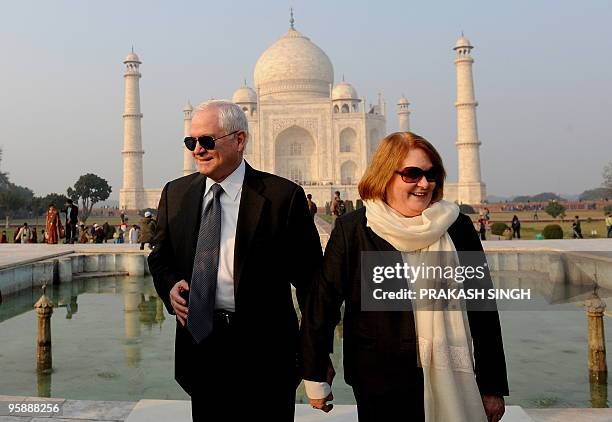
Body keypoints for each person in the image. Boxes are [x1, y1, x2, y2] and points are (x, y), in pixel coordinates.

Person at [301, 132, 508, 422]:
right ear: (386, 175)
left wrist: (491, 386)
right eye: (412, 174)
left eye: (431, 174)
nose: (424, 184)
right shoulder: (356, 230)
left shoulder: (456, 227)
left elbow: (482, 310)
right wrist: (314, 372)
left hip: (454, 371)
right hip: (379, 376)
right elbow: (323, 305)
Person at [148, 100, 322, 422]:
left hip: (265, 353)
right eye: (191, 142)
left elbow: (312, 285)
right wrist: (170, 286)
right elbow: (160, 256)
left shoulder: (281, 197)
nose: (197, 150)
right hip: (201, 345)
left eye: (207, 141)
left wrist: (315, 357)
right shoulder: (177, 194)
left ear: (239, 140)